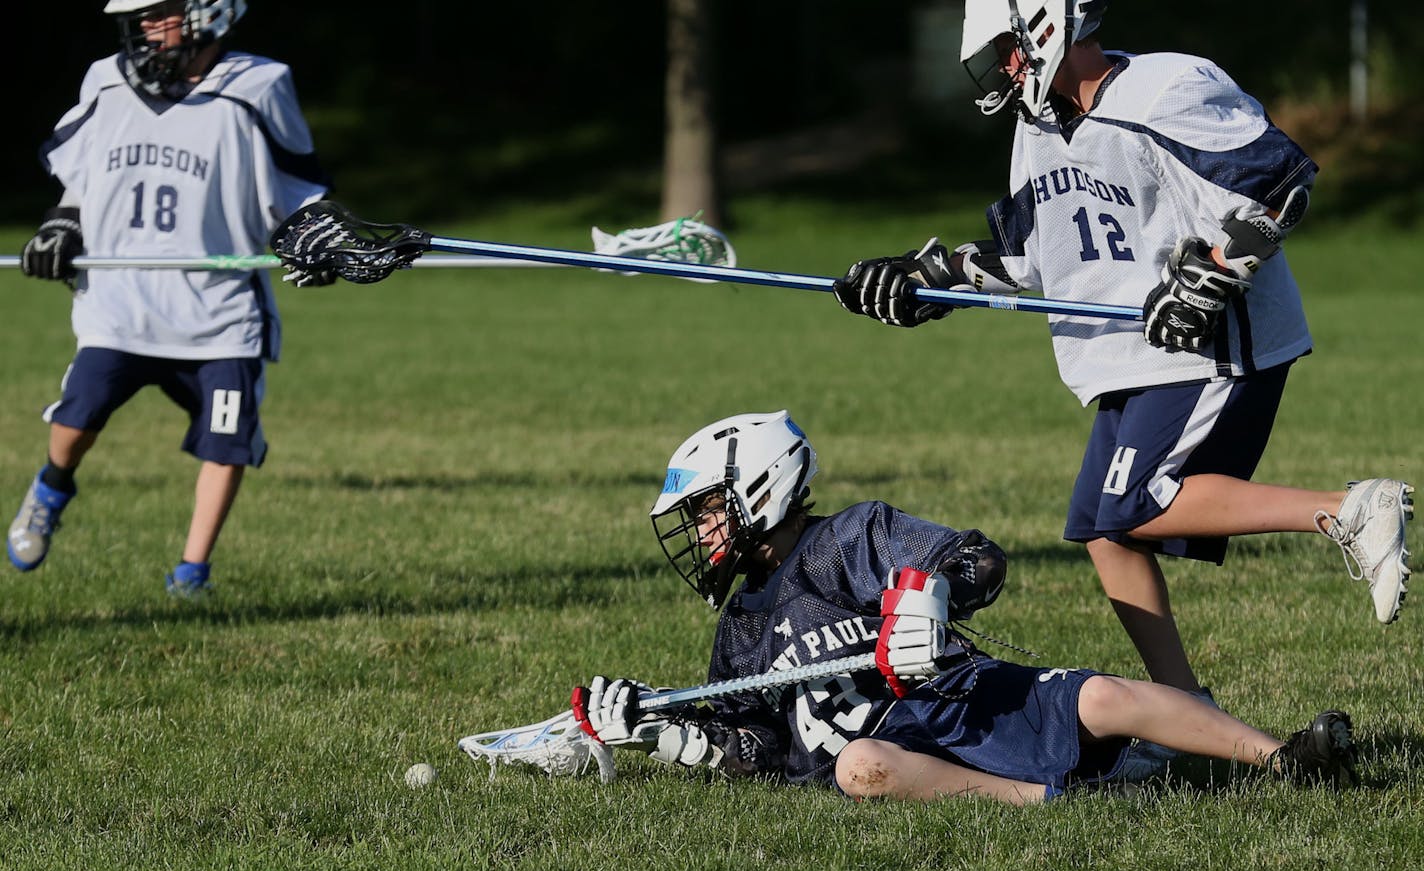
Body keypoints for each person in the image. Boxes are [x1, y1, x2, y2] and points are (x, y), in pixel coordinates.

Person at [830, 1, 1412, 713]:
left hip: (1208, 348)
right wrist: (925, 280)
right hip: (1130, 357)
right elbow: (1025, 257)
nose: (1007, 71)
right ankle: (1186, 709)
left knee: (1131, 504)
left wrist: (1217, 271)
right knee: (1104, 529)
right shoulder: (1036, 127)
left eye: (1009, 50)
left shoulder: (1165, 89)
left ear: (1045, 26)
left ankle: (1350, 507)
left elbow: (1280, 182)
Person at [569, 411, 1358, 805]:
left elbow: (975, 557)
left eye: (711, 511)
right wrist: (668, 734)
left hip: (963, 699)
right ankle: (1044, 800)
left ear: (760, 488)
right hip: (892, 756)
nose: (703, 532)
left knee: (1106, 696)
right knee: (856, 767)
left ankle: (1281, 758)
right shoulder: (740, 627)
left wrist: (928, 597)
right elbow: (761, 746)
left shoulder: (852, 537)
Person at [8, 0, 332, 595]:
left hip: (221, 313)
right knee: (79, 417)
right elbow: (82, 175)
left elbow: (299, 192)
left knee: (228, 442)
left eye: (161, 12)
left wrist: (319, 239)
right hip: (121, 303)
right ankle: (52, 486)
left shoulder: (259, 85)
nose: (147, 27)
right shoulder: (106, 79)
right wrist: (61, 226)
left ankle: (191, 574)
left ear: (209, 12)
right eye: (141, 16)